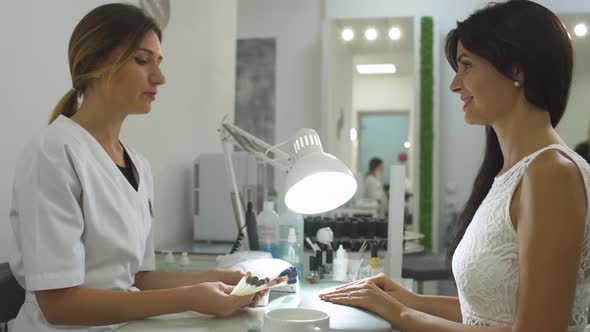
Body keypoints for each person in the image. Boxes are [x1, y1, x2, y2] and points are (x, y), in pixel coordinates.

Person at [320, 1, 590, 331]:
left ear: (517, 70)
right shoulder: (511, 173)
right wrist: (408, 300)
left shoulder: (552, 173)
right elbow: (490, 313)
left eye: (466, 66)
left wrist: (402, 315)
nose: (455, 84)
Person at [8, 4, 260, 332]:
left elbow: (136, 277)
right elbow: (59, 304)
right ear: (96, 63)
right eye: (142, 61)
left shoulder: (137, 163)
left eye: (159, 62)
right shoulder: (54, 153)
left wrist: (210, 279)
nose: (160, 78)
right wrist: (190, 297)